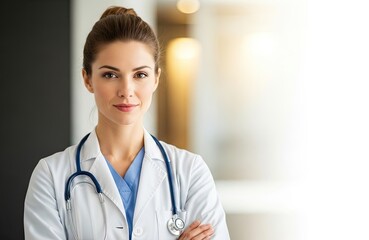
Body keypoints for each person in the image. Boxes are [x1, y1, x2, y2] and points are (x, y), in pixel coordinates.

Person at [24, 6, 230, 240]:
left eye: (140, 75)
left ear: (156, 79)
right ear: (87, 79)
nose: (126, 91)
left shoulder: (190, 172)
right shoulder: (51, 177)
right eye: (110, 75)